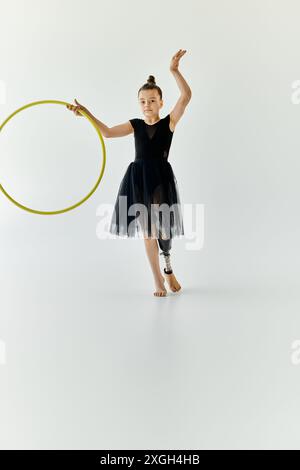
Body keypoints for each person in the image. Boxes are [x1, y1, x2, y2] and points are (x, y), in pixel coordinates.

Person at [67, 49, 192, 297]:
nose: (147, 105)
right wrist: (86, 113)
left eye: (152, 100)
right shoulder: (134, 125)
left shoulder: (169, 122)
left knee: (164, 231)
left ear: (161, 102)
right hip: (139, 180)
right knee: (148, 233)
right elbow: (107, 132)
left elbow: (186, 96)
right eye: (143, 101)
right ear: (139, 103)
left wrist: (174, 71)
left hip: (160, 180)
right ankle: (157, 281)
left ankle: (168, 265)